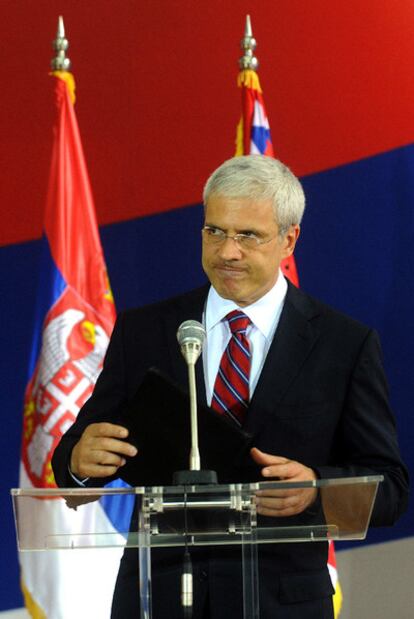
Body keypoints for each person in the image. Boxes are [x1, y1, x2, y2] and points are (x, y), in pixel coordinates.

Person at [52, 155, 409, 619]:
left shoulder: (344, 344)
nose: (227, 252)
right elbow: (73, 459)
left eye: (248, 236)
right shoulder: (146, 330)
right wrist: (80, 462)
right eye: (214, 231)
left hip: (282, 603)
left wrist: (316, 489)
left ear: (289, 240)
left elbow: (391, 488)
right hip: (157, 599)